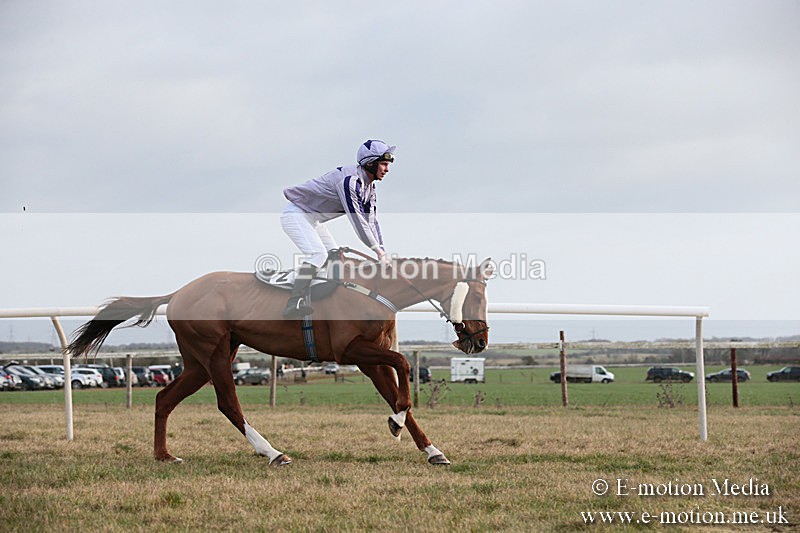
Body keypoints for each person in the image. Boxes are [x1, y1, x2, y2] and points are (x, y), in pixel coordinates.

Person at [280, 139, 395, 319]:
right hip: (296, 215)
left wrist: (383, 252)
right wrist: (377, 252)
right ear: (370, 163)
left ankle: (323, 302)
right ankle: (293, 303)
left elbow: (372, 222)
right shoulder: (350, 182)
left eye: (388, 164)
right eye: (383, 164)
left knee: (334, 255)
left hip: (314, 220)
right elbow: (358, 221)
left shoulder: (370, 188)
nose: (387, 169)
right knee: (318, 255)